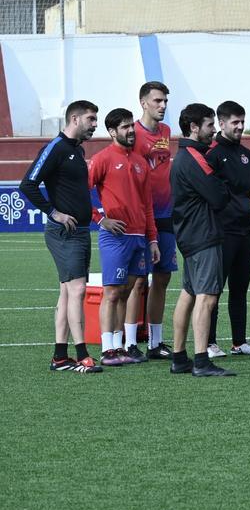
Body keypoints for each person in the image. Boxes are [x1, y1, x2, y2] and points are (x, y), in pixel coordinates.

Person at [20, 100, 100, 373]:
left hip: (79, 231)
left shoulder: (77, 150)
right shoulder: (55, 148)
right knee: (77, 290)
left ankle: (60, 356)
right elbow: (27, 184)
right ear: (75, 119)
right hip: (64, 232)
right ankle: (82, 356)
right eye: (90, 119)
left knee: (67, 292)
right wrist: (53, 213)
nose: (94, 124)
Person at [88, 108, 159, 366]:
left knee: (128, 291)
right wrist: (100, 219)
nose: (131, 131)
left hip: (139, 238)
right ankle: (107, 349)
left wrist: (152, 239)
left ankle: (119, 346)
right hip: (114, 237)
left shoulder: (140, 162)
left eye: (132, 126)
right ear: (112, 131)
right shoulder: (102, 159)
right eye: (125, 127)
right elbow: (80, 193)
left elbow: (147, 205)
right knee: (112, 292)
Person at [169, 103, 235, 377]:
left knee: (189, 294)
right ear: (194, 128)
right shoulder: (194, 157)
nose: (214, 130)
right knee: (207, 298)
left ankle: (179, 356)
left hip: (189, 234)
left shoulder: (183, 156)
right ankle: (200, 359)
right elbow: (218, 196)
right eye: (209, 125)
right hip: (202, 235)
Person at [205, 101, 250, 357]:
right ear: (222, 123)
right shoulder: (212, 154)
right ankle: (209, 342)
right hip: (222, 232)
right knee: (214, 289)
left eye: (242, 121)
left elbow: (248, 191)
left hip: (246, 231)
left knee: (240, 289)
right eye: (234, 122)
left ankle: (240, 342)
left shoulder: (247, 156)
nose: (240, 127)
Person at [130, 81, 175, 360]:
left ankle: (156, 342)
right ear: (144, 102)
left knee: (163, 278)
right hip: (141, 218)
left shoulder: (167, 132)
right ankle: (130, 342)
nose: (162, 106)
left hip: (166, 215)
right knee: (136, 282)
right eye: (157, 101)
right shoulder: (132, 133)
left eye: (165, 101)